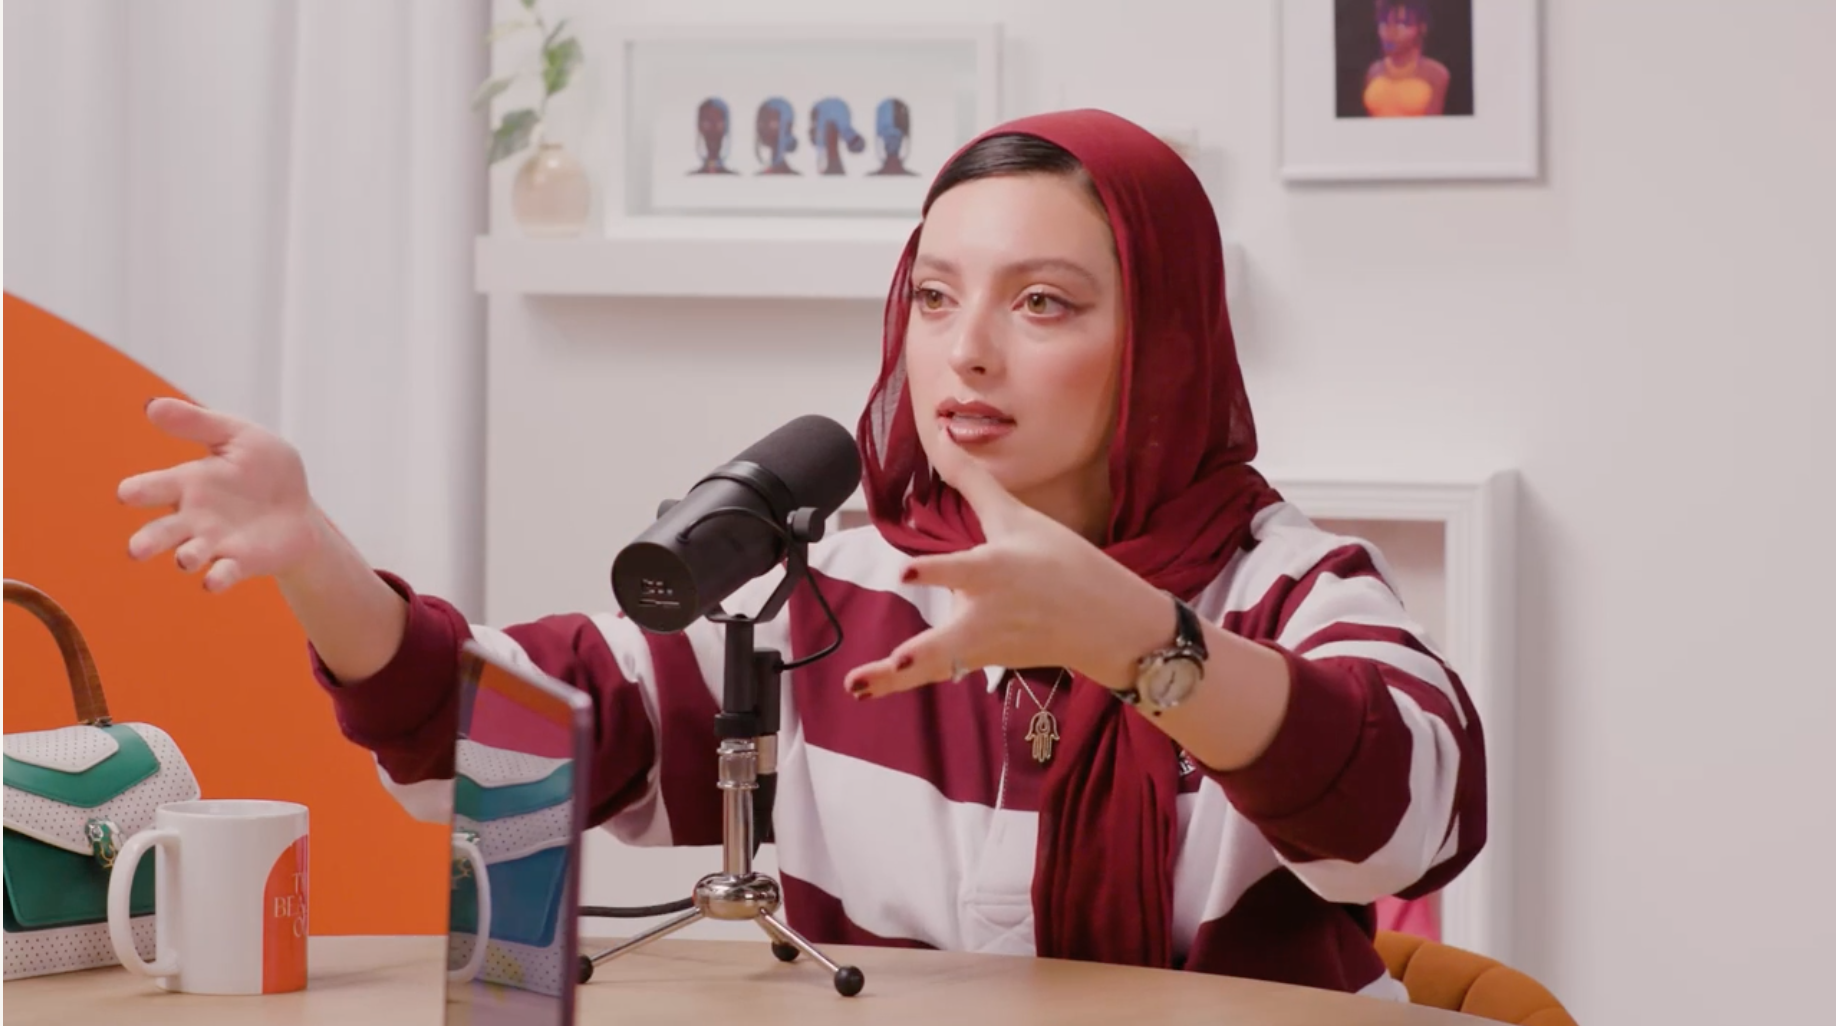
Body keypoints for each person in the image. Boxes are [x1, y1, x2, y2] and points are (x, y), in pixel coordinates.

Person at [117, 108, 1485, 1000]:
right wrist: (318, 560)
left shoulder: (1289, 585)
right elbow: (517, 730)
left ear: (1165, 338)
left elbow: (1406, 821)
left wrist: (1136, 639)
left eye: (1045, 303)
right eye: (935, 298)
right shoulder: (838, 588)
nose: (968, 350)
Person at [1363, 0, 1451, 118]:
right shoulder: (1374, 71)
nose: (1390, 32)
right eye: (1383, 22)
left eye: (1401, 24)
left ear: (1421, 28)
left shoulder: (1436, 74)